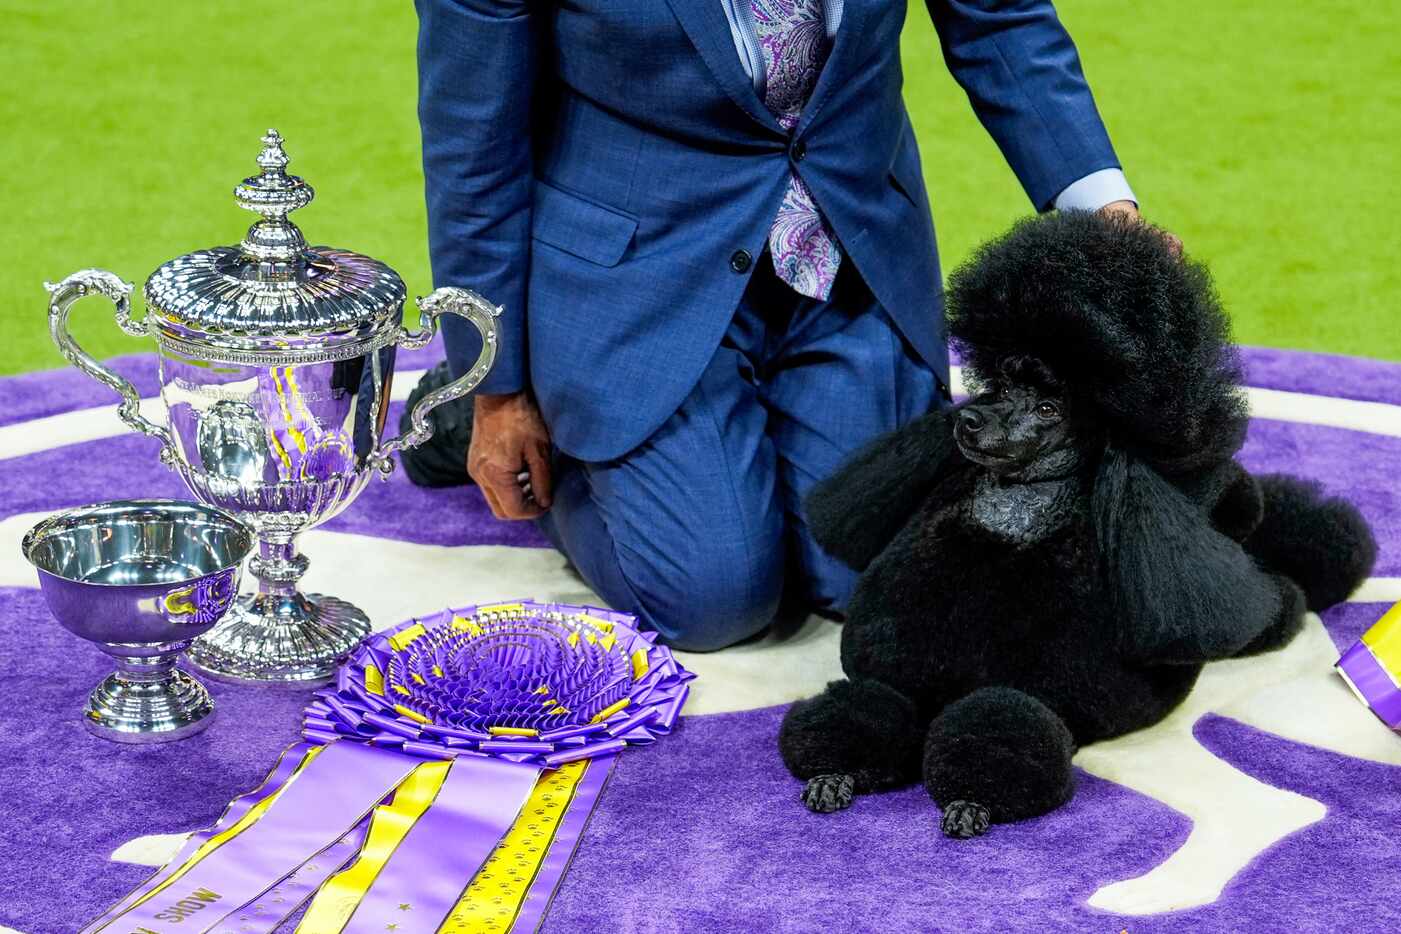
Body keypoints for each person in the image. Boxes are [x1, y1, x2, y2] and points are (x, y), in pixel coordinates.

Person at [410, 0, 1169, 651]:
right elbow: (473, 147)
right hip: (638, 277)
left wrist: (1105, 219)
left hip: (849, 250)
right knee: (712, 601)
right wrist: (496, 386)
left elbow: (999, 22)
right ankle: (494, 414)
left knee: (867, 571)